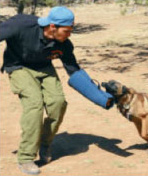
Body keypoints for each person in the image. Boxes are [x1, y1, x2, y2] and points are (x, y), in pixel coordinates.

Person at [0, 6, 114, 175]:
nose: (69, 35)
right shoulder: (21, 25)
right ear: (52, 27)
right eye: (67, 31)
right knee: (34, 104)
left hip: (44, 67)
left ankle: (45, 144)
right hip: (18, 67)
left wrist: (102, 98)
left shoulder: (64, 45)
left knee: (58, 103)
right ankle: (26, 157)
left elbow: (74, 71)